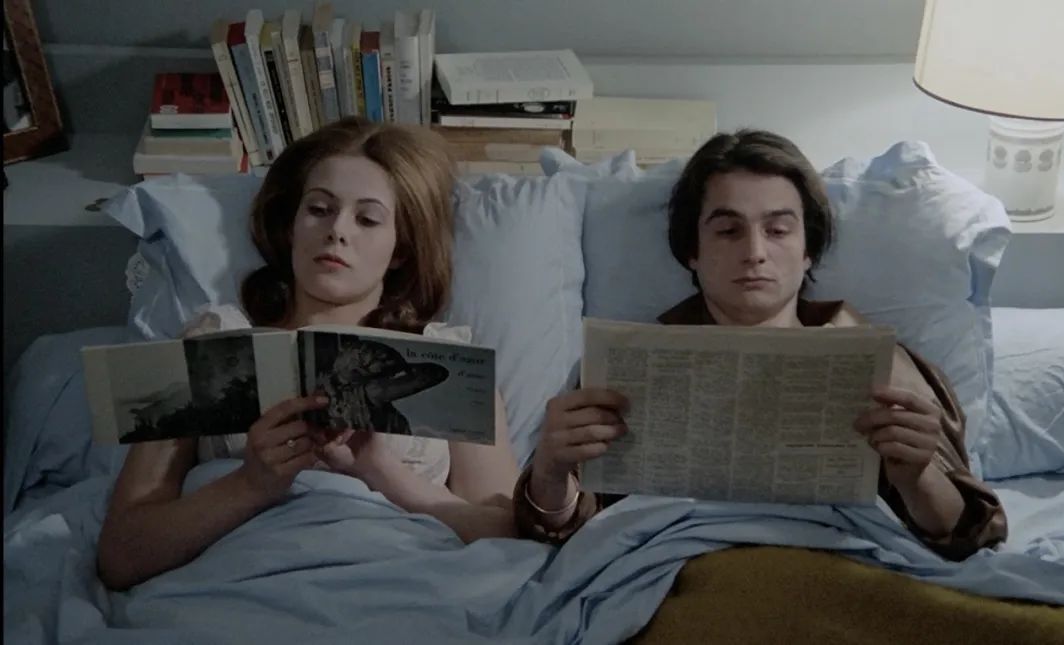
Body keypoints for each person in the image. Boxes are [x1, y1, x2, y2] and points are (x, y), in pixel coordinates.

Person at [514, 129, 1007, 561]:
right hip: (678, 574)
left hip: (843, 570)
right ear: (692, 251)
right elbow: (566, 532)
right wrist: (551, 471)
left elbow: (968, 536)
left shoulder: (883, 365)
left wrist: (917, 476)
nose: (754, 252)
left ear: (808, 249)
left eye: (777, 230)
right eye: (729, 231)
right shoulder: (624, 368)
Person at [97, 118, 520, 591]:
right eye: (319, 209)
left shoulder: (450, 363)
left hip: (397, 587)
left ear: (401, 249)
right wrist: (249, 484)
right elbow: (121, 554)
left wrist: (382, 472)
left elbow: (510, 539)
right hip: (233, 589)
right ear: (291, 226)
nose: (337, 230)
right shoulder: (210, 339)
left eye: (367, 219)